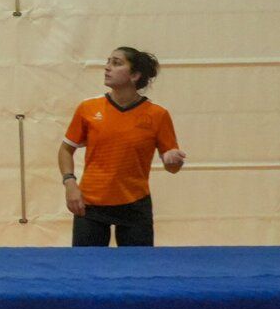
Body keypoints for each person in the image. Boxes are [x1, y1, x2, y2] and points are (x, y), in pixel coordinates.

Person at [57, 46, 186, 246]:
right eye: (108, 62)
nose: (107, 68)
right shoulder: (88, 108)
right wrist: (69, 183)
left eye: (116, 63)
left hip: (135, 205)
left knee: (138, 273)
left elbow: (173, 167)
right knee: (86, 272)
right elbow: (66, 149)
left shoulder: (157, 115)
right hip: (90, 205)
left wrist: (173, 160)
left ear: (134, 75)